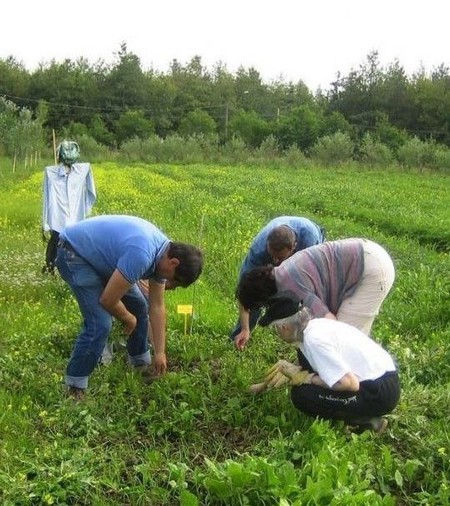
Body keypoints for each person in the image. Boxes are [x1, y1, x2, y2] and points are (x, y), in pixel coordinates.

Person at [55, 214, 203, 399]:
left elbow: (156, 306)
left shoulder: (162, 255)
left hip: (101, 259)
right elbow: (108, 300)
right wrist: (128, 318)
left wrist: (160, 352)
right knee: (100, 323)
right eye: (174, 280)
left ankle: (141, 364)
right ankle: (75, 387)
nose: (170, 286)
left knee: (140, 306)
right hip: (74, 253)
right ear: (173, 263)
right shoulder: (142, 254)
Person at [250, 292, 400, 434]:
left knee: (302, 395)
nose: (278, 334)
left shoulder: (314, 340)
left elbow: (350, 384)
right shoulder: (312, 328)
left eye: (276, 328)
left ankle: (371, 421)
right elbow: (309, 364)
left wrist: (307, 378)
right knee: (304, 365)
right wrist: (274, 380)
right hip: (382, 378)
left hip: (379, 392)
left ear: (285, 327)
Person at [237, 238, 395, 336]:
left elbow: (329, 320)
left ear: (265, 298)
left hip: (370, 270)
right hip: (366, 252)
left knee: (344, 337)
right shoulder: (281, 272)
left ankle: (354, 387)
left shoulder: (292, 286)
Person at [231, 216, 325, 349]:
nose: (275, 261)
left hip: (310, 237)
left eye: (280, 257)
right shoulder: (258, 251)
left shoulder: (308, 241)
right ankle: (240, 336)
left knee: (298, 298)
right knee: (257, 291)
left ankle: (305, 341)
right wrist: (245, 328)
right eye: (272, 255)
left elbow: (312, 283)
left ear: (294, 247)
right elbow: (245, 292)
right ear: (267, 245)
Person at [42, 140, 96, 274]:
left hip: (74, 215)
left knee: (72, 243)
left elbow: (91, 192)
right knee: (57, 241)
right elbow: (47, 197)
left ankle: (68, 268)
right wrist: (46, 221)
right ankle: (51, 267)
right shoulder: (51, 173)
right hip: (58, 216)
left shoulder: (82, 170)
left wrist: (85, 206)